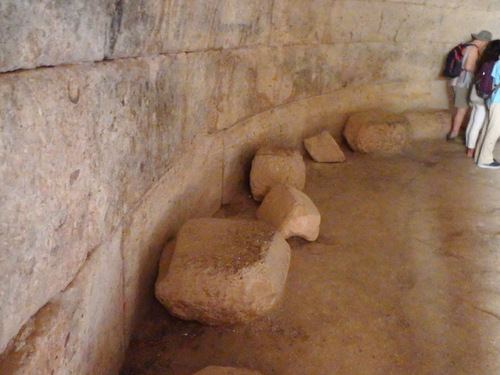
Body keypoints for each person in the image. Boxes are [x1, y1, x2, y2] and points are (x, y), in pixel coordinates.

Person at [447, 30, 492, 142]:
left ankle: (457, 131)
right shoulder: (473, 49)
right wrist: (481, 71)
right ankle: (454, 134)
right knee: (462, 109)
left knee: (461, 108)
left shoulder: (465, 46)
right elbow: (468, 67)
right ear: (484, 41)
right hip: (463, 83)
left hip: (456, 81)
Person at [465, 40, 500, 158]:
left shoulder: (484, 61)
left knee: (473, 120)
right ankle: (471, 149)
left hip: (475, 92)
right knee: (478, 122)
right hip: (484, 96)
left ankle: (469, 145)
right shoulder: (495, 64)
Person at [476, 55, 500, 168]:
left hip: (493, 99)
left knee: (487, 128)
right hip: (498, 101)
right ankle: (485, 160)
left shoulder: (498, 62)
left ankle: (479, 156)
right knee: (494, 130)